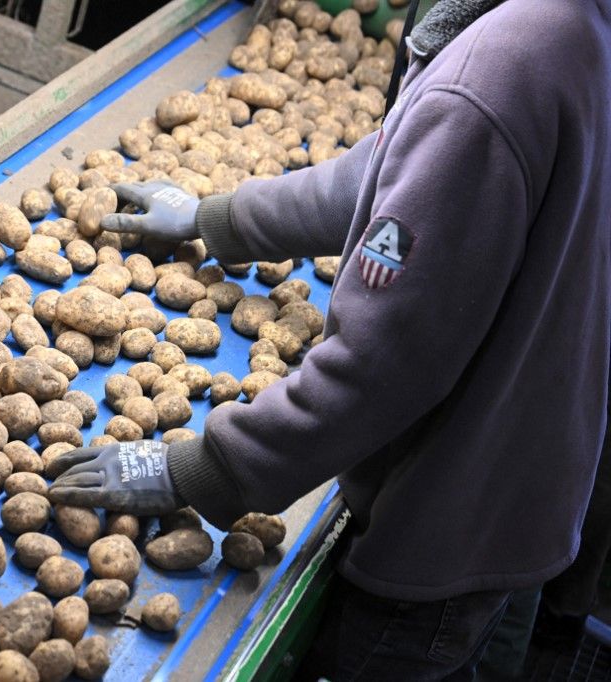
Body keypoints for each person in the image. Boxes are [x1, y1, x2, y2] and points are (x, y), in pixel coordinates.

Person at [47, 0, 611, 679]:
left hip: (443, 535)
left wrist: (201, 470)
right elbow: (404, 166)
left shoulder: (499, 71)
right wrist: (214, 217)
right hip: (531, 497)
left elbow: (386, 365)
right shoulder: (574, 25)